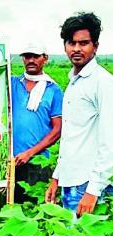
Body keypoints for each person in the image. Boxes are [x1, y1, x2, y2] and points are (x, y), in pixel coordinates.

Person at [45, 12, 113, 217]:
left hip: (88, 186)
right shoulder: (74, 82)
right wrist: (57, 177)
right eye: (71, 43)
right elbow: (71, 137)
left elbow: (110, 141)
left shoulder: (102, 82)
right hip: (71, 182)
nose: (76, 49)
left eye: (83, 43)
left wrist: (93, 191)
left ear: (95, 46)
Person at [11, 44, 63, 203]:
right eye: (27, 56)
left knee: (35, 210)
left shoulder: (53, 90)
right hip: (11, 161)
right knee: (11, 209)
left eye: (36, 56)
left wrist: (29, 153)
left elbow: (57, 130)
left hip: (37, 164)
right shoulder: (12, 83)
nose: (31, 60)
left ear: (45, 58)